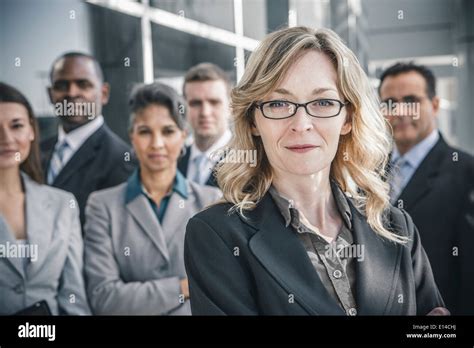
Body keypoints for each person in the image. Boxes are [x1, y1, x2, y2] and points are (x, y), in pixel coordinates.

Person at [183, 27, 448, 316]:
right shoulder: (216, 235)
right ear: (253, 121)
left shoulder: (396, 227)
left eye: (323, 102)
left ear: (347, 118)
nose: (301, 124)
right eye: (279, 103)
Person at [84, 82, 221, 315]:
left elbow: (218, 290)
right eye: (145, 131)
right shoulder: (102, 205)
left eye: (168, 131)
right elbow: (104, 297)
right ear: (132, 138)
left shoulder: (211, 201)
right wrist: (183, 287)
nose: (157, 144)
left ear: (183, 137)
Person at [379, 62, 474, 315]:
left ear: (434, 105)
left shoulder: (467, 173)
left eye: (411, 100)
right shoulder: (367, 174)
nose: (399, 111)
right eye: (389, 103)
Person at [0, 82, 90, 315]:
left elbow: (74, 296)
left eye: (16, 125)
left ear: (31, 130)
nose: (6, 137)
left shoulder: (62, 204)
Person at [41, 52, 135, 227]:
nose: (72, 93)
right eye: (62, 85)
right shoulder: (35, 151)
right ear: (50, 94)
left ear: (104, 93)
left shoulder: (122, 159)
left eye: (83, 84)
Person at [178, 63, 232, 187]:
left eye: (214, 102)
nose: (205, 113)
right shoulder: (175, 160)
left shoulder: (250, 163)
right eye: (195, 103)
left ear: (231, 107)